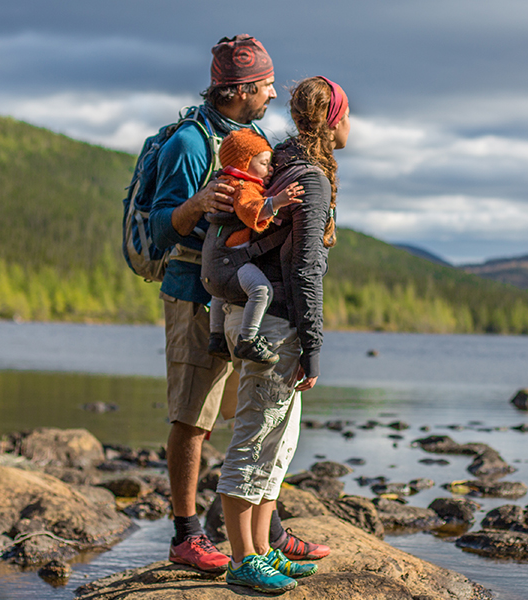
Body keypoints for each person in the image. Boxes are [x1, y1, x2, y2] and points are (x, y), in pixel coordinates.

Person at [149, 35, 328, 573]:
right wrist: (197, 204)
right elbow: (161, 229)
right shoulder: (190, 143)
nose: (275, 92)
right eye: (268, 84)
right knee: (194, 415)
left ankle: (265, 533)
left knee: (247, 417)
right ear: (242, 88)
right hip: (194, 295)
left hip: (238, 298)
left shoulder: (251, 137)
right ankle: (186, 535)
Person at [216, 76, 350, 594]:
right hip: (275, 326)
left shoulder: (284, 164)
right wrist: (313, 345)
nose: (350, 125)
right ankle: (242, 559)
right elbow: (305, 268)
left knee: (279, 442)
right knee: (254, 441)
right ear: (332, 119)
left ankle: (265, 550)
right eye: (345, 114)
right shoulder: (308, 177)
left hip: (262, 317)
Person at [206, 129, 304, 365]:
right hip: (231, 263)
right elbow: (252, 210)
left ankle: (217, 338)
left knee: (219, 293)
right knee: (261, 291)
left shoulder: (223, 181)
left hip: (212, 265)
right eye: (263, 163)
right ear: (243, 163)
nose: (270, 169)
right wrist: (279, 201)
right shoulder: (243, 188)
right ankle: (247, 340)